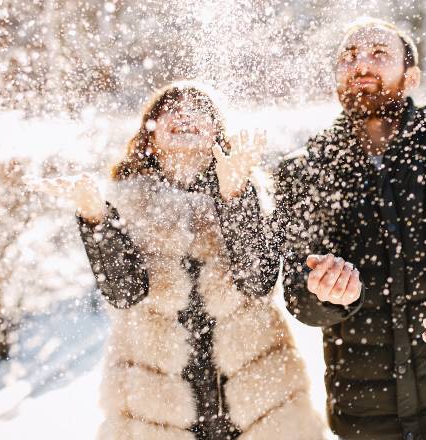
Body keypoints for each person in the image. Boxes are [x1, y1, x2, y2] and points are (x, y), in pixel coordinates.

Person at [273, 17, 426, 440]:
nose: (361, 64)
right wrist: (330, 295)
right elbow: (299, 293)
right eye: (349, 55)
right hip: (365, 420)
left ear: (412, 75)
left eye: (379, 54)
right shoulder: (305, 170)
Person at [37, 82, 325, 439]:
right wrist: (95, 216)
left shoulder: (247, 189)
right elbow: (125, 293)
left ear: (217, 132)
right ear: (150, 133)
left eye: (198, 108)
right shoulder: (126, 204)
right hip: (155, 412)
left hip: (258, 406)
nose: (184, 114)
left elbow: (257, 281)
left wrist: (234, 195)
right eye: (170, 108)